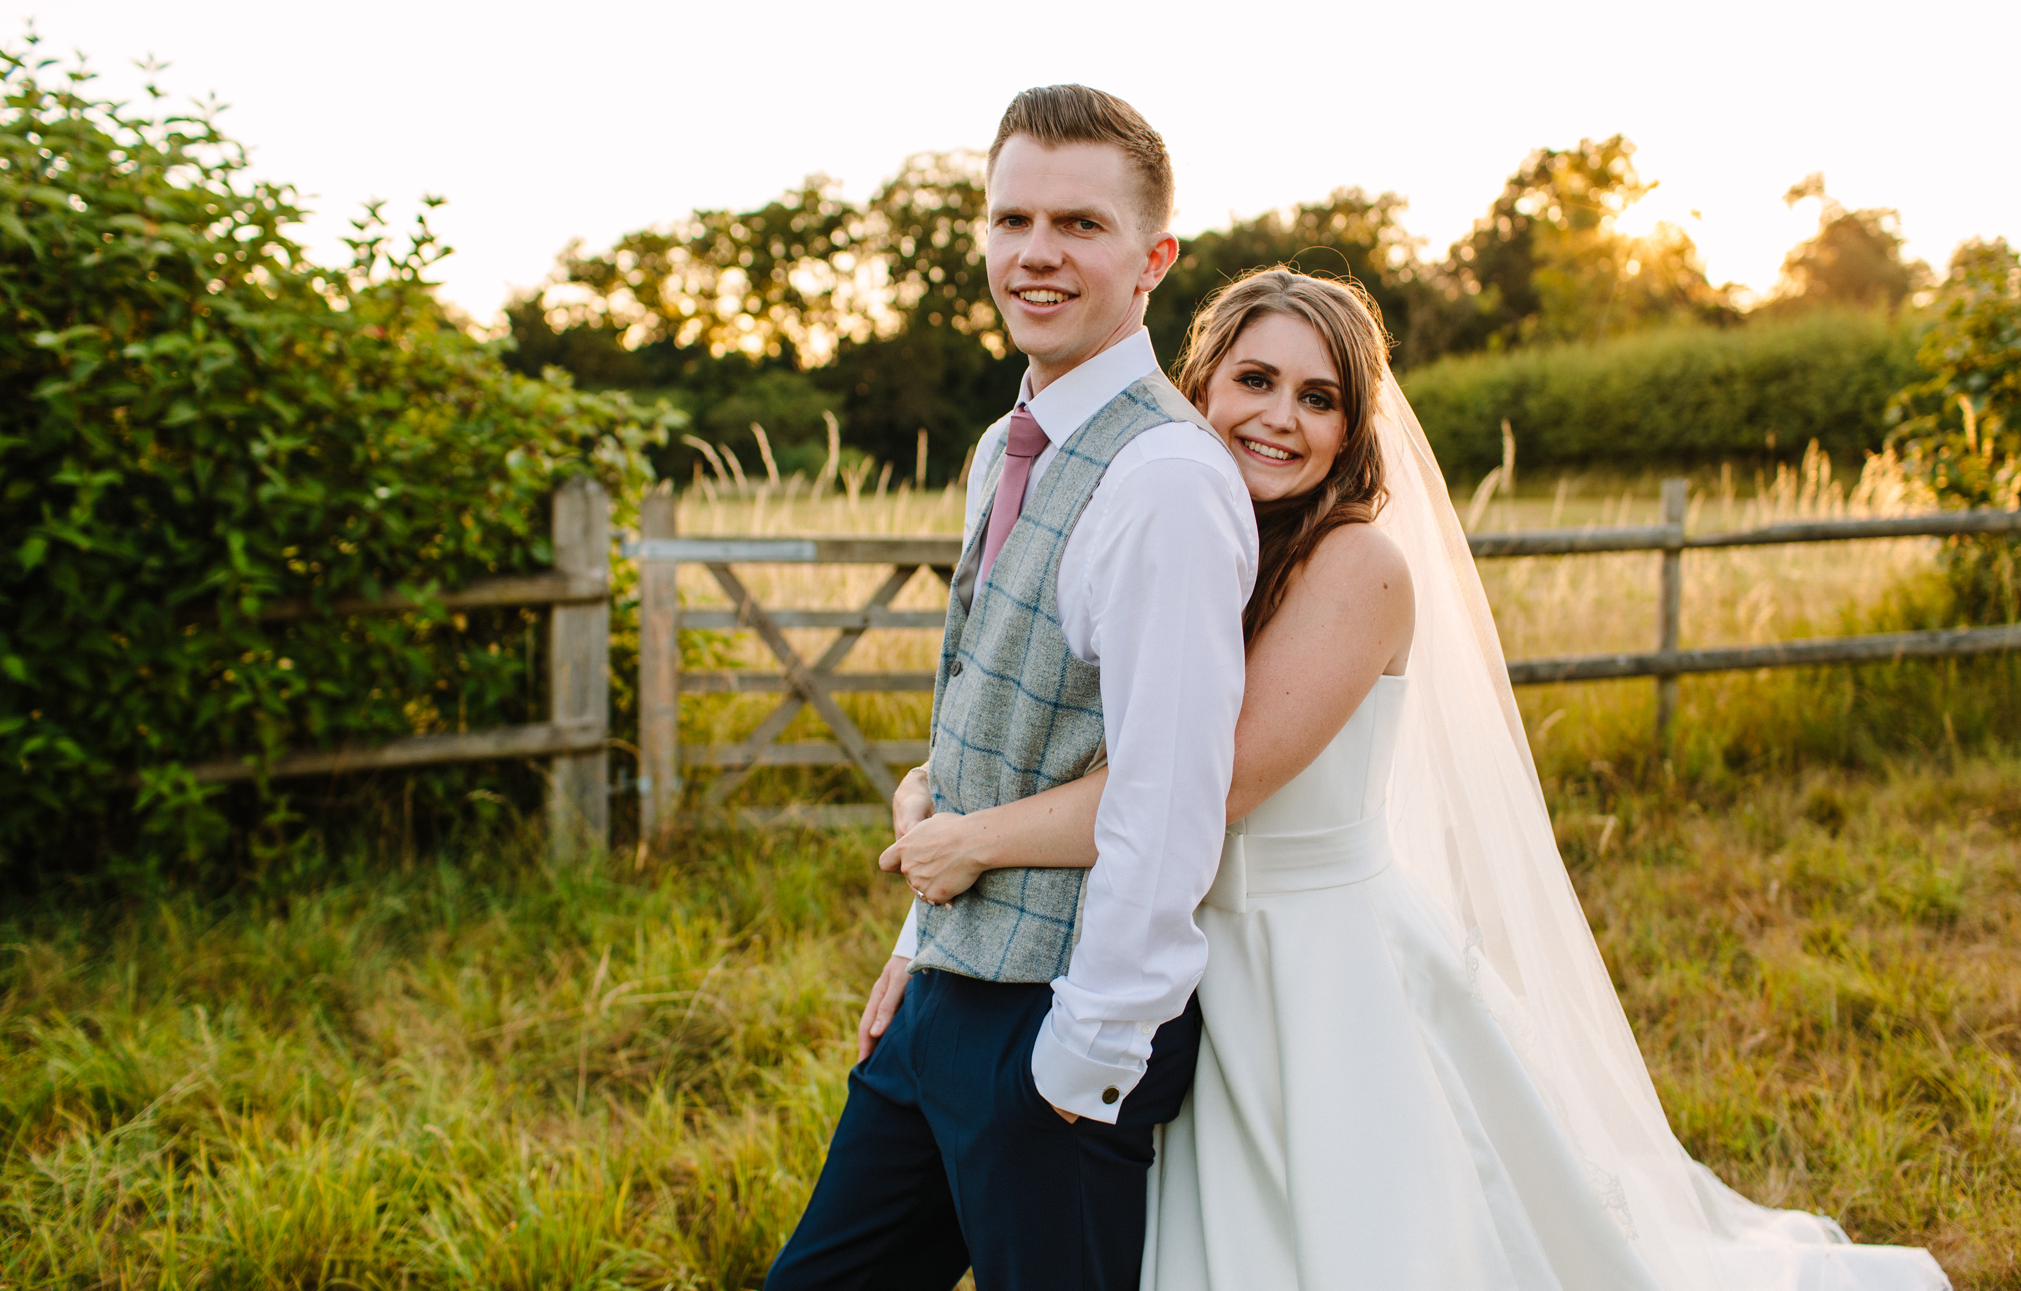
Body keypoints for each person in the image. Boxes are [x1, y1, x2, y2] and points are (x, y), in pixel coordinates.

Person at [883, 269, 1952, 1289]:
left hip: (1309, 959)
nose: (1279, 418)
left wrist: (974, 837)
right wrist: (945, 777)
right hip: (1180, 955)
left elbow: (1210, 785)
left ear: (1353, 429)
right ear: (1198, 383)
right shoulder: (1184, 534)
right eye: (1253, 382)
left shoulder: (1355, 566)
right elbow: (1071, 724)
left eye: (1319, 398)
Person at [762, 86, 1258, 1291]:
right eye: (1011, 219)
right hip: (943, 996)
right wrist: (915, 946)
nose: (1035, 254)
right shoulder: (1001, 446)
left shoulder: (1167, 485)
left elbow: (1167, 797)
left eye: (1079, 226)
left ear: (1152, 261)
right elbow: (982, 724)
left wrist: (1082, 1059)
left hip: (1059, 1023)